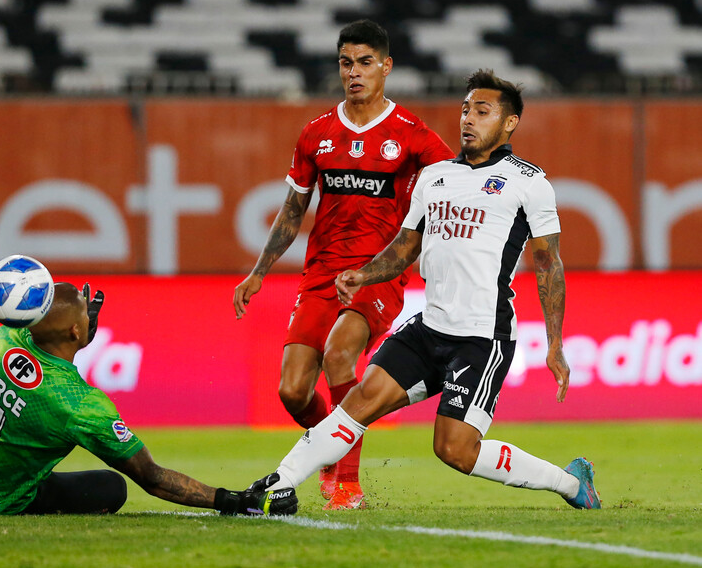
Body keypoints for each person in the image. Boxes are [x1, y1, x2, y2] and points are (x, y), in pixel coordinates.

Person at [250, 69, 601, 510]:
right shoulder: (436, 177)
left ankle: (572, 483)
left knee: (453, 449)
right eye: (465, 109)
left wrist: (555, 344)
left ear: (509, 122)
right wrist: (364, 274)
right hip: (428, 328)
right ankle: (277, 481)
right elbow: (405, 247)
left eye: (482, 111)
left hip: (481, 337)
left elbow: (549, 265)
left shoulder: (529, 182)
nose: (468, 119)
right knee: (357, 405)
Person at [233, 20, 454, 509]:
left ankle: (347, 488)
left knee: (338, 354)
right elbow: (293, 212)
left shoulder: (413, 136)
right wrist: (259, 271)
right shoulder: (317, 133)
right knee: (292, 391)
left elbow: (455, 192)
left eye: (365, 62)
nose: (354, 72)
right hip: (321, 276)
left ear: (386, 67)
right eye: (346, 63)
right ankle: (330, 450)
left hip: (378, 274)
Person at [0, 282, 297, 517]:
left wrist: (79, 321)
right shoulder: (82, 406)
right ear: (77, 334)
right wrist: (234, 499)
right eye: (86, 316)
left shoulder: (4, 339)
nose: (90, 317)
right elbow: (154, 479)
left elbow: (53, 335)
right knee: (115, 487)